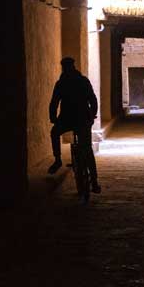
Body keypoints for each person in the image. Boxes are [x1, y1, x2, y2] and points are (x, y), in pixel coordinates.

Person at [47, 57, 100, 193]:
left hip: (66, 119)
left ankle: (58, 159)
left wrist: (53, 118)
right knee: (87, 150)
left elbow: (54, 102)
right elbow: (93, 99)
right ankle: (94, 182)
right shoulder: (83, 81)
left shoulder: (61, 83)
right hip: (83, 120)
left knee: (54, 132)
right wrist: (92, 114)